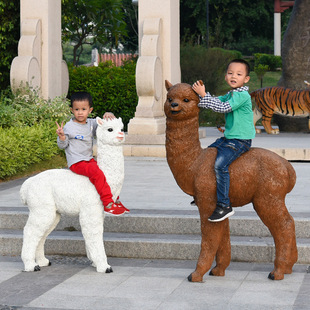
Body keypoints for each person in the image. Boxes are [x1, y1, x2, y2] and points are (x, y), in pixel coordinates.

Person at [192, 59, 255, 222]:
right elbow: (218, 101)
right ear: (226, 76)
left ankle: (224, 205)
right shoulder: (231, 94)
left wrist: (204, 95)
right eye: (230, 73)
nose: (233, 76)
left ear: (246, 79)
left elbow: (223, 108)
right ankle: (204, 192)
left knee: (220, 165)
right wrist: (200, 97)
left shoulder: (242, 96)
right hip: (228, 138)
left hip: (240, 140)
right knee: (207, 154)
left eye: (239, 74)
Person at [56, 91, 129, 216]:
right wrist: (62, 137)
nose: (80, 112)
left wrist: (108, 114)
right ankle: (108, 204)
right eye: (77, 109)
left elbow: (104, 126)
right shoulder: (69, 127)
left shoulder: (91, 124)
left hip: (88, 159)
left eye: (83, 109)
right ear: (71, 110)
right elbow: (63, 145)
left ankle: (115, 198)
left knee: (108, 174)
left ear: (90, 110)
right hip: (77, 162)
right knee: (97, 174)